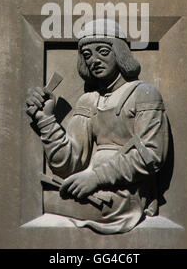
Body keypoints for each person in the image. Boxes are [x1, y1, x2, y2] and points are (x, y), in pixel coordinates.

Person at [26, 19, 169, 234]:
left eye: (102, 51)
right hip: (88, 190)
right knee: (44, 202)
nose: (94, 60)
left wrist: (96, 178)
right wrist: (45, 120)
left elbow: (151, 155)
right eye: (87, 55)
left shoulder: (143, 94)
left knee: (53, 210)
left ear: (119, 53)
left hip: (123, 197)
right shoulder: (89, 101)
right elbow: (67, 162)